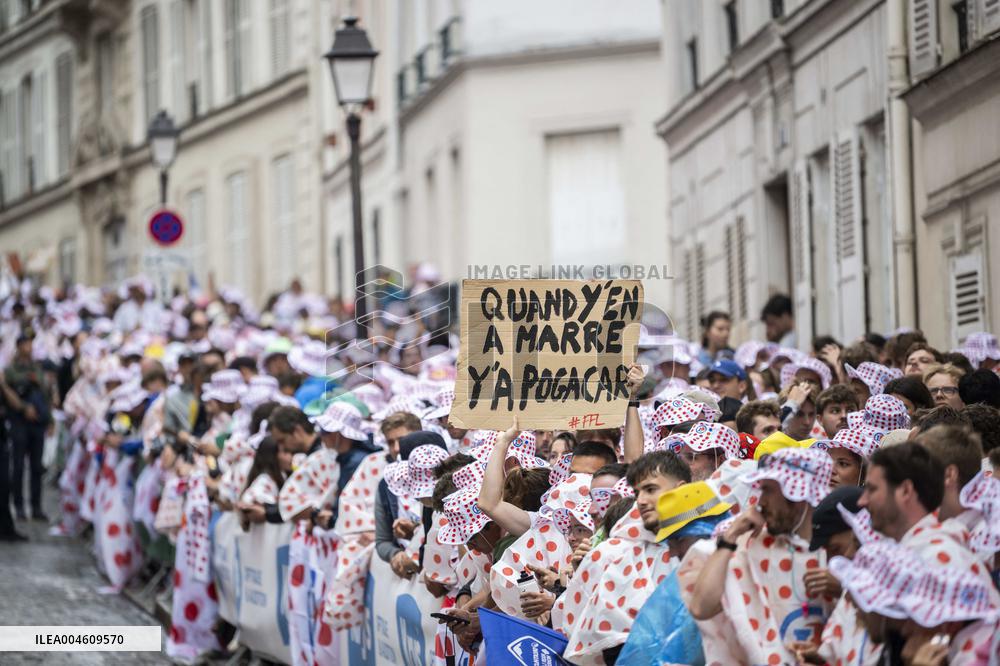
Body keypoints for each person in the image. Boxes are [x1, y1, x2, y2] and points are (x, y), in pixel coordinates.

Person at [689, 448, 833, 665]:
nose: (760, 502)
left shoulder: (838, 551)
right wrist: (730, 537)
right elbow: (701, 607)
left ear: (795, 494)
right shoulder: (751, 545)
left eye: (767, 490)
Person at [5, 333, 53, 521]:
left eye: (31, 343)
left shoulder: (38, 368)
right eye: (26, 343)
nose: (29, 347)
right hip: (19, 421)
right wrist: (24, 408)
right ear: (19, 346)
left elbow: (45, 395)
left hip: (37, 423)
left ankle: (36, 506)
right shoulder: (11, 370)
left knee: (36, 467)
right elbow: (8, 393)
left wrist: (49, 420)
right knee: (17, 466)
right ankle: (18, 505)